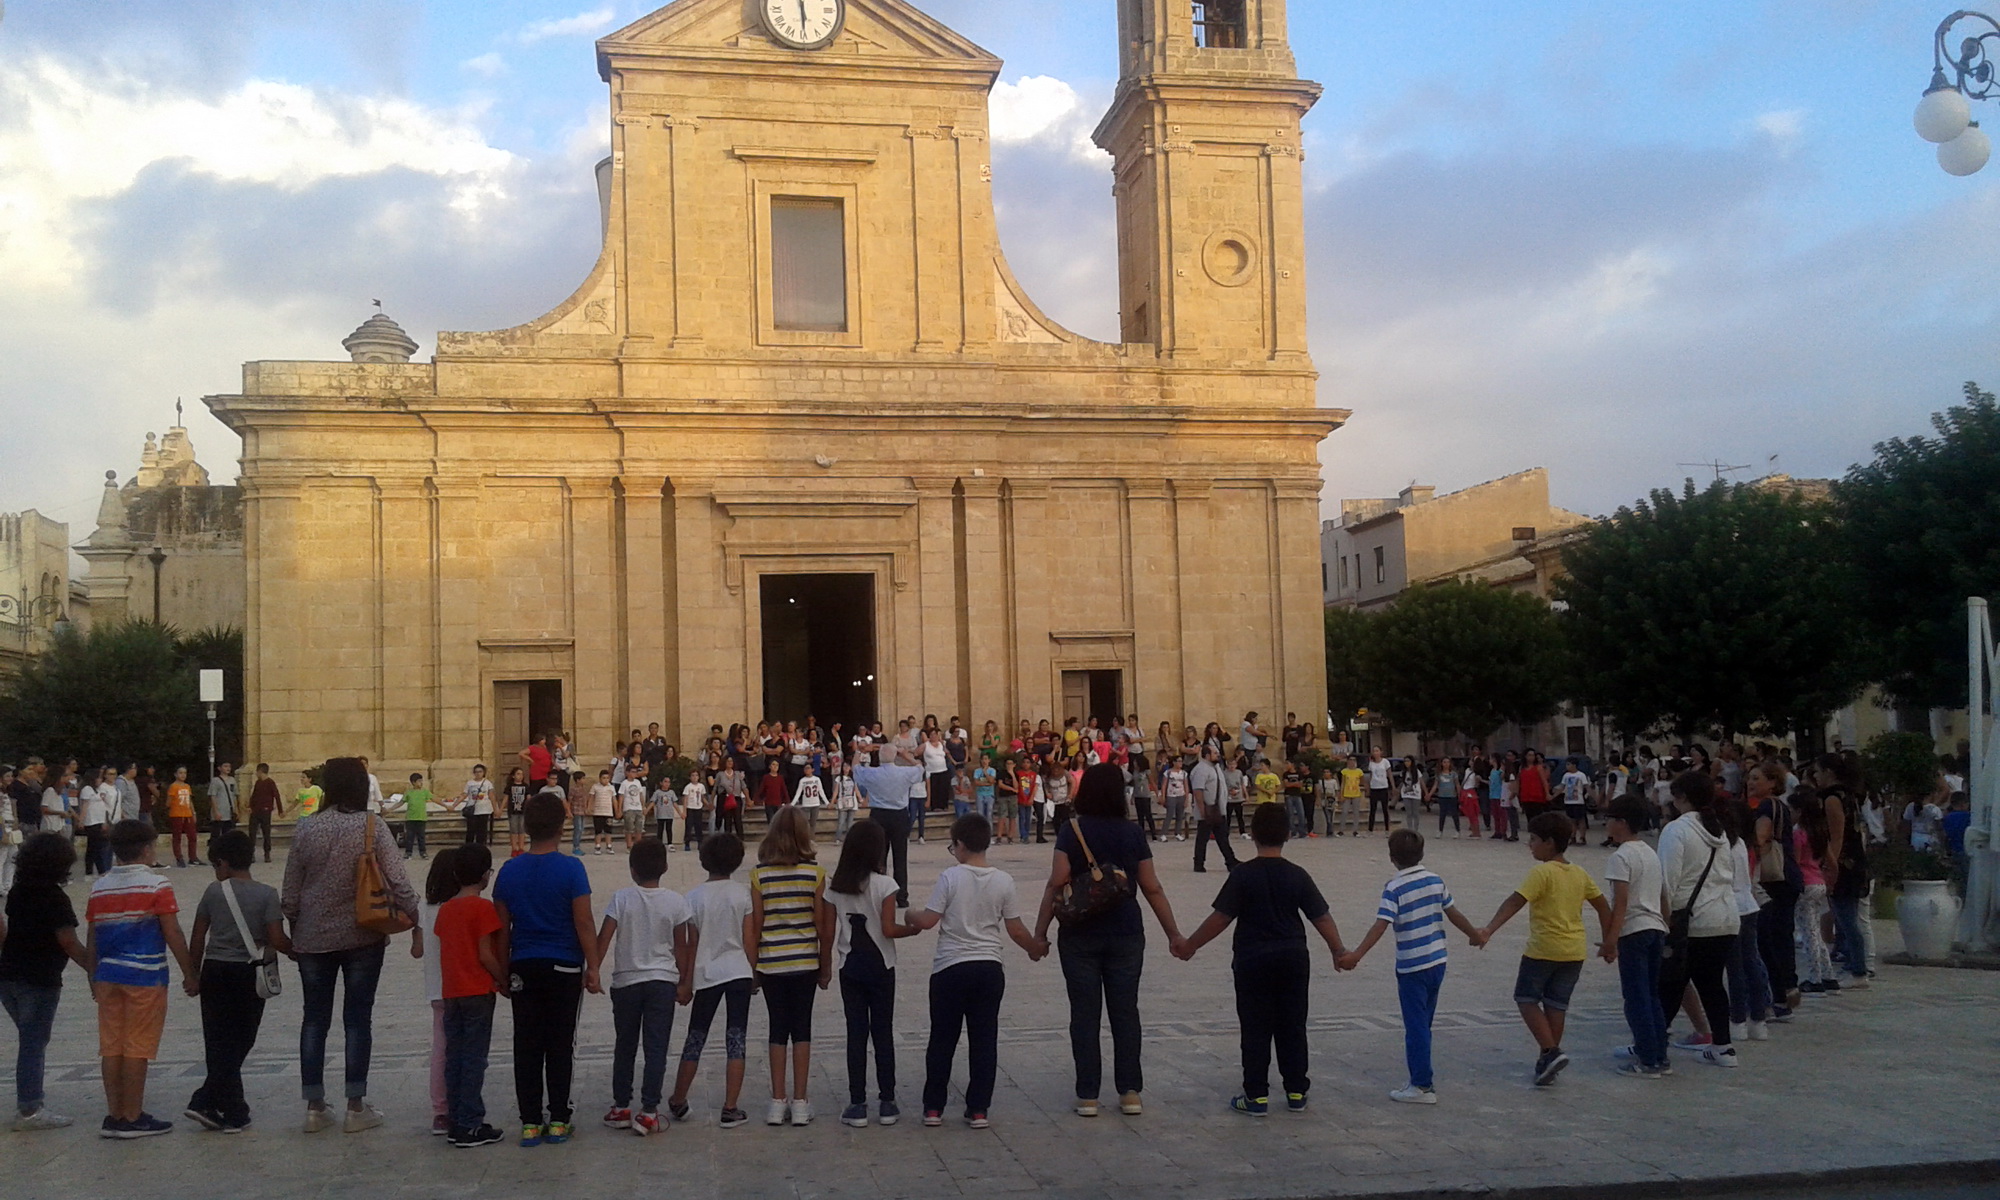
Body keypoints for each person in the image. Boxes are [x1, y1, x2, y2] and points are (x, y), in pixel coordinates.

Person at [1031, 764, 1187, 1118]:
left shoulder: (1072, 831)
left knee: (1084, 1014)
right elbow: (1152, 887)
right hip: (1126, 932)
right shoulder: (1132, 833)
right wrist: (1174, 934)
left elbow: (1056, 883)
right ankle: (1130, 1091)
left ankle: (1088, 1095)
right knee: (1125, 1011)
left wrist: (1039, 935)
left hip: (1079, 934)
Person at [1177, 804, 1346, 1117]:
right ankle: (1296, 1090)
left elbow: (1221, 917)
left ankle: (1256, 1095)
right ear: (1287, 835)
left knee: (1255, 1026)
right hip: (1294, 957)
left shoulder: (1243, 874)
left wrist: (1190, 945)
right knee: (1293, 1023)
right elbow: (1320, 916)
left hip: (1253, 958)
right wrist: (1338, 950)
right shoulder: (1297, 874)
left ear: (1252, 835)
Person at [283, 756, 420, 1133]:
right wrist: (414, 915)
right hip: (363, 935)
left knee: (314, 1019)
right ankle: (355, 1105)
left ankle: (314, 1106)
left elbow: (290, 890)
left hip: (312, 938)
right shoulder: (372, 826)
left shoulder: (306, 828)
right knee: (357, 1019)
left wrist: (295, 926)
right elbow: (398, 879)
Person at [907, 814, 1043, 1128]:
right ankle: (978, 1108)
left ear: (961, 845)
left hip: (950, 968)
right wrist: (1035, 948)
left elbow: (928, 920)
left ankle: (933, 1108)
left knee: (942, 1038)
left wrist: (911, 913)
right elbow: (1016, 929)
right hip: (988, 967)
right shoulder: (1003, 880)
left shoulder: (950, 877)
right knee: (984, 1039)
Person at [1335, 829, 1484, 1103]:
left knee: (1415, 1025)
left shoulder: (1394, 887)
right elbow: (1452, 913)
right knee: (1424, 1022)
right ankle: (1420, 1076)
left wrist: (1356, 954)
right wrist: (1475, 934)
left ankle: (1422, 1085)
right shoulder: (1435, 880)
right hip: (1437, 959)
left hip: (1412, 966)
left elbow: (1381, 924)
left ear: (1392, 858)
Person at [1472, 812, 1613, 1086]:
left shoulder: (1542, 872)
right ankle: (1547, 1060)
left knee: (1526, 999)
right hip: (1574, 951)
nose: (1530, 845)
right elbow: (1603, 906)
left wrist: (1489, 929)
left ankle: (1550, 1052)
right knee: (1556, 1005)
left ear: (1549, 843)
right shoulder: (1580, 873)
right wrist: (1610, 941)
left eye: (1534, 840)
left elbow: (1515, 901)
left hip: (1543, 948)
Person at [492, 793, 599, 1147]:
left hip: (523, 963)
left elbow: (501, 928)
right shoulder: (572, 868)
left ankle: (529, 1121)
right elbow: (583, 922)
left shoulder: (509, 870)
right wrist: (594, 965)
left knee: (526, 1042)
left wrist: (502, 971)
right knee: (559, 1042)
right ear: (561, 826)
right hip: (564, 964)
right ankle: (558, 1118)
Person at [87, 818, 195, 1137]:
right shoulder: (157, 885)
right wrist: (190, 972)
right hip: (145, 976)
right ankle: (133, 1116)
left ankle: (115, 1114)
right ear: (147, 849)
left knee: (111, 1045)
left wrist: (93, 975)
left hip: (107, 975)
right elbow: (172, 931)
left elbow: (93, 933)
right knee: (137, 1046)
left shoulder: (99, 885)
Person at [184, 829, 290, 1133]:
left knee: (216, 1040)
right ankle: (213, 1103)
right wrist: (297, 953)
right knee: (243, 1038)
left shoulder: (213, 892)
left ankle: (228, 1107)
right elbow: (276, 938)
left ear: (223, 862)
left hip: (215, 970)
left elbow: (197, 937)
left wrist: (192, 973)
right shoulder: (267, 894)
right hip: (247, 972)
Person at [595, 838, 692, 1138]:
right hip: (662, 981)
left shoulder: (621, 898)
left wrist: (592, 969)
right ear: (664, 867)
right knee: (656, 1047)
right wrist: (685, 981)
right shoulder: (677, 901)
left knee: (625, 1045)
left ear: (632, 868)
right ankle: (649, 1111)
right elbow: (681, 946)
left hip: (626, 982)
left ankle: (621, 1106)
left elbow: (605, 936)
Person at [0, 833, 94, 1131]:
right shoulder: (55, 898)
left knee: (30, 1038)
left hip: (8, 975)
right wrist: (96, 969)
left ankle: (30, 1103)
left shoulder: (18, 892)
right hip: (39, 979)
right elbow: (68, 941)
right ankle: (29, 1108)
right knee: (33, 1042)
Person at [826, 822, 914, 1128]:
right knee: (882, 1032)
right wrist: (913, 929)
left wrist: (825, 965)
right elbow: (889, 929)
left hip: (850, 964)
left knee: (856, 1033)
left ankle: (856, 1102)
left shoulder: (835, 886)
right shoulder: (885, 885)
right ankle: (887, 1100)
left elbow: (827, 931)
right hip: (881, 965)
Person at [748, 806, 832, 1127]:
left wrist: (753, 969)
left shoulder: (759, 876)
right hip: (806, 961)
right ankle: (800, 1101)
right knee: (802, 1029)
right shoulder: (816, 875)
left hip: (771, 963)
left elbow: (755, 926)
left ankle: (776, 1100)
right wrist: (825, 967)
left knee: (777, 1029)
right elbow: (822, 925)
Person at [668, 832, 754, 1129]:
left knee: (696, 1037)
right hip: (738, 970)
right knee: (736, 1039)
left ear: (704, 860)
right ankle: (730, 1107)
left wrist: (685, 982)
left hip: (707, 973)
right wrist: (753, 972)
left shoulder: (692, 897)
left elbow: (692, 943)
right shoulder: (742, 893)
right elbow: (749, 937)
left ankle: (678, 1098)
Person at [1655, 772, 1740, 1068]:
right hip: (1725, 917)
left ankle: (1653, 1045)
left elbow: (1667, 881)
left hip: (1693, 921)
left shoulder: (1677, 830)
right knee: (1712, 983)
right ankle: (1723, 1046)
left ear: (1682, 798)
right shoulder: (1720, 831)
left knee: (1670, 983)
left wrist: (1662, 919)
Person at [435, 843, 506, 1149]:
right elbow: (486, 954)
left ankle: (455, 1119)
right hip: (477, 990)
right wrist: (502, 979)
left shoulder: (446, 909)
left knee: (456, 1056)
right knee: (475, 1058)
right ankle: (471, 1123)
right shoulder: (484, 908)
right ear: (485, 876)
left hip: (452, 992)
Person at [1600, 797, 1670, 1078]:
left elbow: (1621, 903)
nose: (1606, 823)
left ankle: (1647, 1058)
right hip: (1656, 928)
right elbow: (1664, 896)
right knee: (1652, 995)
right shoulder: (1650, 853)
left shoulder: (1621, 857)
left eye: (1610, 818)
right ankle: (1660, 1055)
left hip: (1634, 931)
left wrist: (1610, 941)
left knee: (1636, 997)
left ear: (1622, 823)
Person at [417, 848, 460, 1136]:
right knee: (464, 1049)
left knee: (440, 1049)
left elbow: (417, 950)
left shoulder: (424, 909)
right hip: (461, 986)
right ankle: (460, 1103)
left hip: (436, 988)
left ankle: (440, 1110)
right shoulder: (460, 907)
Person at [854, 753, 926, 907]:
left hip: (879, 814)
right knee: (900, 857)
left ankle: (879, 894)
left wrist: (858, 752)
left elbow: (856, 769)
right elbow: (920, 768)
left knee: (878, 857)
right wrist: (904, 755)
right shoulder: (903, 772)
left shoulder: (874, 772)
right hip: (899, 814)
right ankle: (901, 896)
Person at [1191, 745, 1238, 872]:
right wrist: (1202, 810)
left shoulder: (1216, 767)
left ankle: (1230, 860)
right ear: (1207, 755)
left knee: (1222, 836)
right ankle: (1199, 863)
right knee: (1203, 837)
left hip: (1218, 808)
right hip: (1208, 808)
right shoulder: (1201, 769)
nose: (1218, 755)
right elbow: (1198, 790)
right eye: (1215, 753)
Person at [246, 764, 281, 864]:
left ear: (260, 771)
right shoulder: (258, 783)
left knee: (266, 832)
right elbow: (254, 796)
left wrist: (280, 810)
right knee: (252, 832)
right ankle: (251, 853)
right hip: (255, 810)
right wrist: (250, 806)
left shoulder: (270, 782)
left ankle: (267, 853)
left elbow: (276, 796)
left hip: (265, 811)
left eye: (257, 772)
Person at [165, 766, 197, 869]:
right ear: (176, 774)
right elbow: (168, 802)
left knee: (192, 836)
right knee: (177, 837)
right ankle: (179, 857)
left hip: (187, 814)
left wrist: (193, 813)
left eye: (184, 773)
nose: (183, 775)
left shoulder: (187, 786)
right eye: (180, 773)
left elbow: (190, 801)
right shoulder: (173, 786)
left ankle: (193, 857)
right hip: (177, 814)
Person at [400, 772, 434, 861]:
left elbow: (434, 799)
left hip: (421, 818)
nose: (421, 783)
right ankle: (408, 852)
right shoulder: (408, 793)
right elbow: (401, 802)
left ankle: (423, 852)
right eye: (419, 781)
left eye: (421, 781)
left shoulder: (425, 792)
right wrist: (390, 809)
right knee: (409, 837)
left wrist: (446, 806)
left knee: (421, 837)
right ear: (413, 782)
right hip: (410, 818)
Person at [206, 763, 239, 851]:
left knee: (228, 835)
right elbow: (213, 796)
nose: (228, 768)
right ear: (219, 768)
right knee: (215, 835)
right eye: (225, 766)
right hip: (219, 812)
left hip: (229, 812)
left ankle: (226, 853)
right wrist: (216, 811)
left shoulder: (232, 780)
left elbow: (235, 795)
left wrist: (236, 809)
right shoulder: (215, 781)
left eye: (229, 766)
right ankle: (213, 852)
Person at [465, 764, 498, 850]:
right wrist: (453, 805)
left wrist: (496, 809)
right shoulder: (469, 783)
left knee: (482, 831)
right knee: (471, 830)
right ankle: (469, 848)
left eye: (480, 772)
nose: (478, 774)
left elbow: (491, 796)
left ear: (483, 773)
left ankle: (480, 848)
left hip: (484, 809)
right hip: (472, 810)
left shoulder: (487, 783)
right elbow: (464, 794)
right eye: (476, 772)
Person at [1365, 747, 1394, 833]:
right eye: (1374, 751)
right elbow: (1371, 775)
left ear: (1381, 752)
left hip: (1383, 787)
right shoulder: (1371, 763)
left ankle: (1387, 828)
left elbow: (1389, 774)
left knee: (1385, 809)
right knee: (1372, 809)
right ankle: (1370, 829)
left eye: (1377, 751)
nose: (1375, 753)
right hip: (1374, 787)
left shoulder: (1385, 762)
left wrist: (1393, 786)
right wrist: (1368, 788)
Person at [1162, 757, 1190, 842]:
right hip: (1171, 795)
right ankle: (1163, 833)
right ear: (1174, 762)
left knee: (1180, 815)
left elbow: (1186, 785)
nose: (1180, 763)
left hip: (1181, 795)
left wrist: (1186, 798)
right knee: (1169, 815)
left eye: (1181, 761)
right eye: (1178, 761)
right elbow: (1164, 785)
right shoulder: (1168, 772)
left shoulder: (1184, 773)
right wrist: (1163, 796)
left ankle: (1178, 833)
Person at [620, 770, 648, 851]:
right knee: (629, 828)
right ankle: (629, 846)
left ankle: (638, 846)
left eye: (636, 772)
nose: (634, 774)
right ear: (628, 773)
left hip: (638, 807)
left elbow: (640, 795)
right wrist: (620, 808)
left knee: (639, 828)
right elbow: (621, 796)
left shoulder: (638, 782)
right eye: (632, 772)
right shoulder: (624, 783)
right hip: (628, 808)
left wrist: (643, 806)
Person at [650, 776, 678, 849]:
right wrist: (647, 810)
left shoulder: (671, 792)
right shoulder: (657, 792)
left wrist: (680, 812)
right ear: (661, 783)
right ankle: (659, 844)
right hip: (660, 814)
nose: (667, 784)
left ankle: (670, 843)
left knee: (669, 829)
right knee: (660, 829)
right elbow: (653, 802)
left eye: (668, 782)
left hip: (669, 814)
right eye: (665, 781)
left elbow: (674, 803)